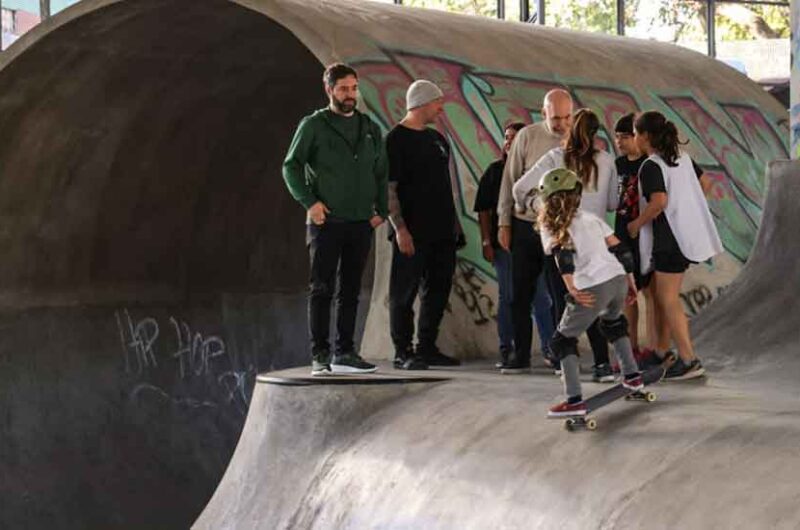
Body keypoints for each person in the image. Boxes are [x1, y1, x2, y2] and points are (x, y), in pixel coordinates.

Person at [283, 63, 388, 376]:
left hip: (360, 222)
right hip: (326, 221)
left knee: (351, 289)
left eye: (354, 88)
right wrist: (310, 202)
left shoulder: (370, 128)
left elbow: (381, 173)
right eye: (343, 89)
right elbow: (291, 166)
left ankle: (345, 352)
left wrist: (380, 211)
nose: (350, 95)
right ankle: (320, 355)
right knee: (322, 288)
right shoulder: (314, 125)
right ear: (329, 90)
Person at [512, 108, 619, 383]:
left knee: (563, 301)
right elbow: (612, 204)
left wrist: (541, 207)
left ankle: (565, 364)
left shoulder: (555, 158)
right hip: (593, 241)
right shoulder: (606, 161)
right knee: (592, 300)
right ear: (597, 133)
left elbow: (519, 188)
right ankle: (603, 365)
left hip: (561, 239)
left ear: (571, 127)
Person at [536, 168, 644, 417]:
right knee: (614, 323)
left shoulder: (550, 225)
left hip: (592, 286)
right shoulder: (591, 218)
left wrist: (571, 288)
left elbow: (562, 257)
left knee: (561, 341)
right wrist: (630, 281)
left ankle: (573, 399)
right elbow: (622, 251)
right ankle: (632, 376)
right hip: (616, 279)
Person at [627, 111, 723, 380]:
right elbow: (706, 183)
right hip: (684, 237)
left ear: (645, 136)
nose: (634, 138)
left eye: (635, 133)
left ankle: (689, 359)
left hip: (668, 241)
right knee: (662, 297)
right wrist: (687, 208)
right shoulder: (683, 159)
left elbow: (659, 201)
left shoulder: (651, 166)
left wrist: (636, 224)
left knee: (668, 300)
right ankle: (662, 351)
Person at [386, 80, 464, 370]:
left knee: (438, 288)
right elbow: (389, 188)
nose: (441, 108)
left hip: (442, 231)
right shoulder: (396, 139)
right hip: (412, 232)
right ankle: (402, 351)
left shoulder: (436, 139)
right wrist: (400, 229)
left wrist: (455, 226)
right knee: (404, 292)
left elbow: (446, 187)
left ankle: (426, 346)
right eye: (437, 102)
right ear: (421, 102)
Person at [496, 89, 574, 374]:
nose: (562, 124)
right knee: (520, 292)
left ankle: (559, 352)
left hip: (559, 228)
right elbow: (510, 180)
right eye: (556, 118)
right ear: (543, 114)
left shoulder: (577, 141)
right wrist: (503, 222)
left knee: (560, 291)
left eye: (568, 117)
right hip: (525, 225)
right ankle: (520, 354)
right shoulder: (527, 136)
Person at [474, 123, 555, 369]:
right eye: (507, 138)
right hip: (505, 244)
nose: (509, 142)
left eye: (515, 138)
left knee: (541, 298)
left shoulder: (536, 169)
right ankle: (508, 349)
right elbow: (484, 210)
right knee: (509, 296)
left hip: (534, 241)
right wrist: (489, 239)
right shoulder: (495, 171)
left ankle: (550, 348)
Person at [613, 113, 658, 366]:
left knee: (650, 293)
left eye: (625, 136)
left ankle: (652, 348)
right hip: (622, 236)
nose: (620, 142)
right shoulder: (617, 166)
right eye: (617, 137)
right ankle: (630, 348)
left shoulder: (650, 163)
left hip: (647, 236)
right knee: (627, 295)